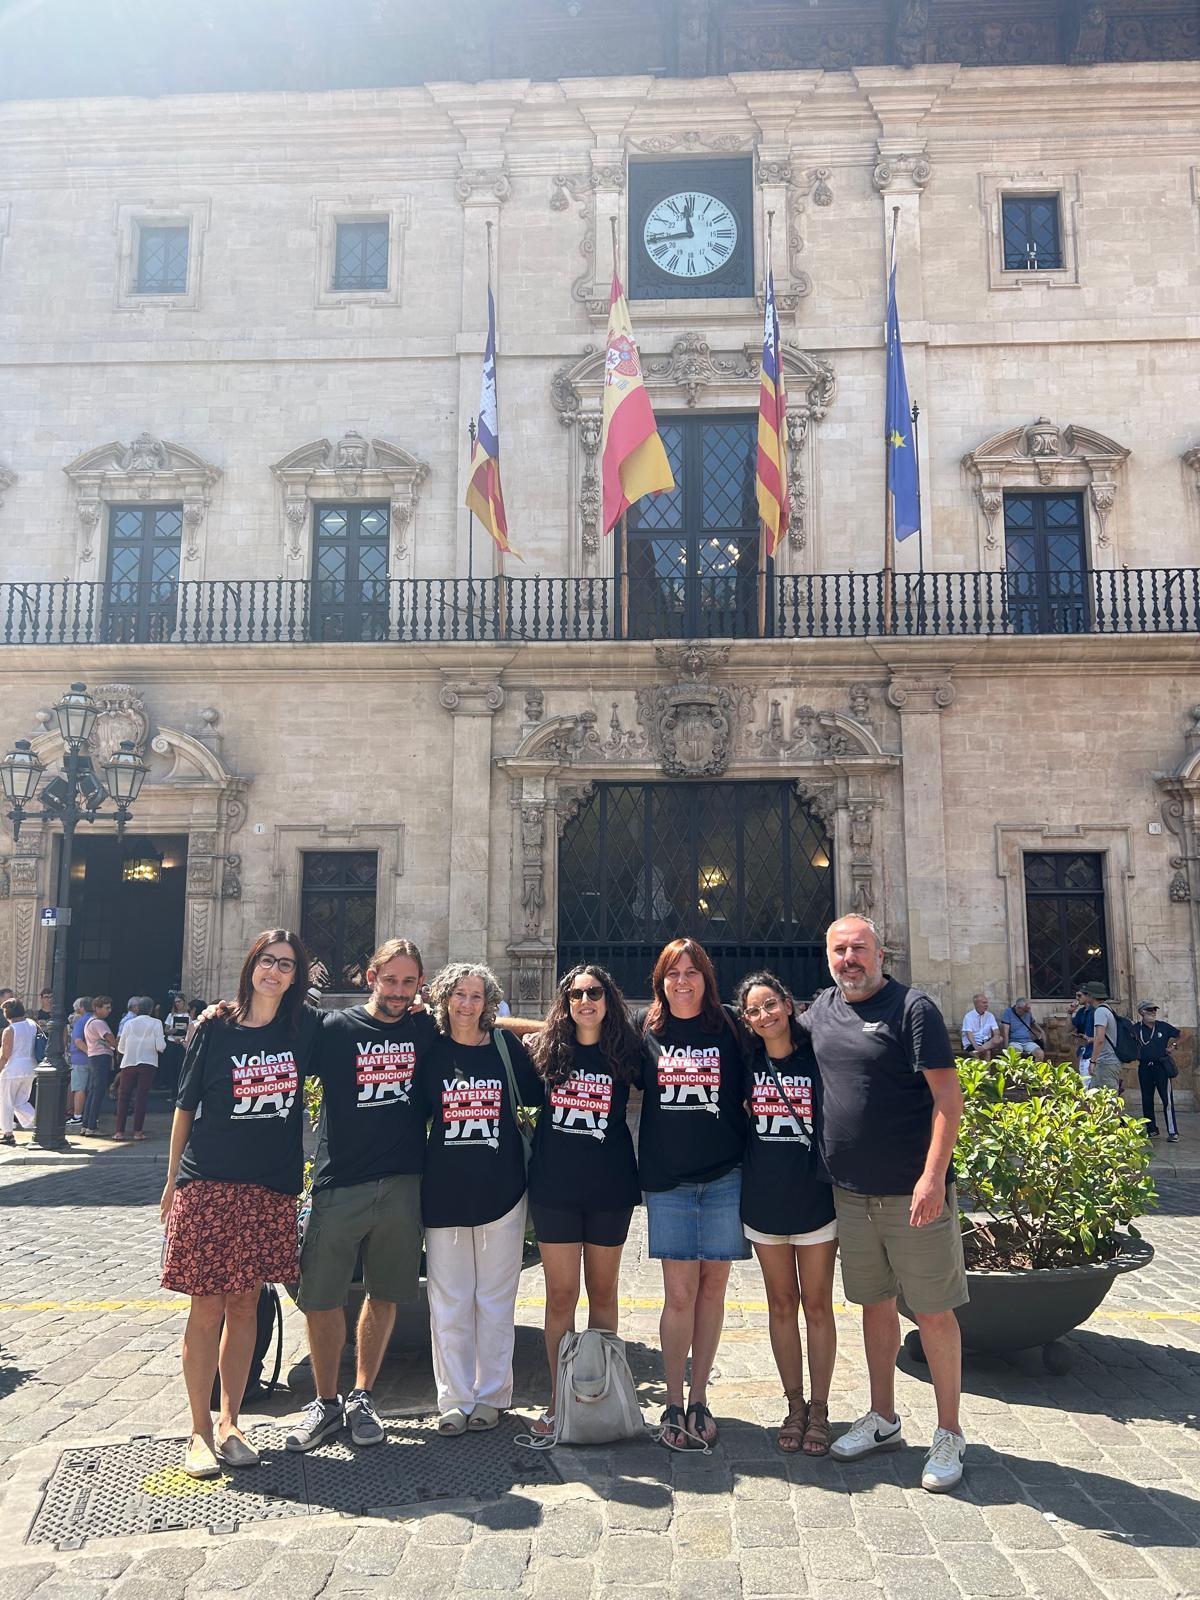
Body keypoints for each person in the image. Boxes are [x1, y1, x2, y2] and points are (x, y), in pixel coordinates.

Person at [798, 915, 968, 1494]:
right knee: (874, 1306)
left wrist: (933, 1177)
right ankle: (883, 1419)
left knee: (933, 1311)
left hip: (910, 1192)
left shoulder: (913, 1009)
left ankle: (949, 1431)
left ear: (881, 953)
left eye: (859, 949)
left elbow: (948, 1095)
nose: (850, 958)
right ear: (828, 958)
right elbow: (760, 1031)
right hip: (850, 1192)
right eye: (839, 950)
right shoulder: (821, 1010)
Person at [159, 928, 319, 1480]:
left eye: (286, 965)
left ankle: (232, 1423)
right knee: (206, 1306)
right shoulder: (215, 1027)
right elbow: (184, 1106)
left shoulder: (303, 1029)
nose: (274, 971)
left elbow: (371, 1029)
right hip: (209, 1181)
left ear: (296, 977)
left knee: (246, 1304)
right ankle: (199, 1430)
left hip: (270, 1186)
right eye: (267, 961)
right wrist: (170, 1180)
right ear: (251, 964)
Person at [286, 938, 438, 1454]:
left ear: (421, 985)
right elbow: (271, 1037)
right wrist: (220, 1014)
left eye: (408, 982)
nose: (398, 991)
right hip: (339, 1183)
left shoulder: (424, 1028)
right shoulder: (335, 1029)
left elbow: (490, 1026)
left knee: (386, 1292)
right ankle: (326, 1403)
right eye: (390, 980)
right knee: (321, 1296)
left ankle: (362, 1395)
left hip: (403, 1184)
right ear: (370, 977)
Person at [418, 961, 541, 1436]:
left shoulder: (506, 1050)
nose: (467, 1005)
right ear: (444, 999)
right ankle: (453, 1398)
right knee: (448, 1300)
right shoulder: (430, 1052)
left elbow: (543, 1083)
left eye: (477, 996)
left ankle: (491, 1395)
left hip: (503, 1192)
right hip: (445, 1192)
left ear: (489, 1003)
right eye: (459, 995)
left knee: (495, 1300)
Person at [637, 938, 748, 1451]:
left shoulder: (728, 1025)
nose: (682, 981)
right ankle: (674, 1400)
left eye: (692, 972)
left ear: (707, 978)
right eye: (672, 973)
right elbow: (575, 1034)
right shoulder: (648, 1031)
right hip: (669, 1182)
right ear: (660, 981)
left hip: (725, 1177)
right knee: (678, 1295)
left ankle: (700, 1396)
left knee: (712, 1292)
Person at [525, 964, 645, 1438]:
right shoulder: (549, 1053)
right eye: (575, 995)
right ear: (565, 1003)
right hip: (555, 1188)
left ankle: (601, 1393)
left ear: (608, 1000)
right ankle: (560, 1401)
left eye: (595, 993)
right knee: (560, 1296)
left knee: (603, 1295)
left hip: (609, 1187)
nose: (585, 1001)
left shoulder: (626, 1054)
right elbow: (501, 1028)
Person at [735, 971, 837, 1457]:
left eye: (770, 1004)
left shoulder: (818, 1056)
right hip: (764, 1199)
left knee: (817, 1305)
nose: (764, 1015)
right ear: (747, 1020)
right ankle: (793, 1404)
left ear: (789, 1004)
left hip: (813, 1198)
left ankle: (820, 1407)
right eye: (754, 1010)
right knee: (781, 1306)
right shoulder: (745, 1062)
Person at [114, 996, 166, 1140]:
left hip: (129, 1062)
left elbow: (121, 1047)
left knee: (123, 1096)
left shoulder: (129, 1024)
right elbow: (160, 1046)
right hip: (148, 1062)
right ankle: (137, 1131)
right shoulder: (156, 1023)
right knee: (141, 1097)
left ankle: (119, 1131)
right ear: (150, 1009)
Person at [1135, 1001, 1180, 1142]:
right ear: (1142, 1012)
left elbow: (1181, 1034)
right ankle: (1151, 1129)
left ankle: (1173, 1132)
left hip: (1161, 1067)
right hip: (1144, 1067)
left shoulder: (1163, 1026)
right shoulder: (1136, 1029)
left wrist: (1173, 1046)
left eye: (1154, 1010)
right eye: (1149, 1010)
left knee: (1167, 1100)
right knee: (1147, 1099)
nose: (1153, 1012)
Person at [0, 998, 38, 1145]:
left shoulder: (10, 1030)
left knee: (6, 1102)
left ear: (7, 1013)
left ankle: (8, 1133)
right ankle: (40, 1122)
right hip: (30, 1066)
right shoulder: (32, 1024)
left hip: (12, 1069)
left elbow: (5, 1055)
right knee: (20, 1101)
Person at [81, 995, 117, 1136]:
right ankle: (92, 1126)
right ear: (97, 1008)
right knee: (98, 1091)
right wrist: (114, 1046)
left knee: (92, 1091)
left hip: (93, 1057)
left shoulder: (90, 1022)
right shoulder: (99, 1023)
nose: (109, 1011)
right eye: (106, 1008)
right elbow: (111, 1040)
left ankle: (86, 1124)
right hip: (101, 1057)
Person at [1082, 981, 1122, 1094]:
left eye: (1086, 993)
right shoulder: (1108, 1009)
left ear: (1091, 996)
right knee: (1096, 1099)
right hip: (1108, 1061)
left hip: (1105, 1062)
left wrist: (1093, 1061)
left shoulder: (1100, 1011)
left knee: (1108, 1100)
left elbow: (1100, 1039)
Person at [67, 996, 92, 1127]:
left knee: (79, 1088)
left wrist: (89, 1052)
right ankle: (90, 1115)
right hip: (93, 1060)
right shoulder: (96, 1020)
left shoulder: (81, 1021)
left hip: (80, 1058)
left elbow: (77, 1041)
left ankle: (77, 1116)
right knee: (90, 1088)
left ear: (81, 1008)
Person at [960, 994, 1002, 1060]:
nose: (986, 1005)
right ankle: (981, 1065)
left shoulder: (990, 1016)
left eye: (987, 1002)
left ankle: (979, 1052)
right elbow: (969, 1034)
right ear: (976, 1004)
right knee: (986, 1052)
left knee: (999, 1038)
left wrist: (996, 1036)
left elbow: (996, 1031)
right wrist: (976, 1047)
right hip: (972, 1043)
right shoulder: (968, 1016)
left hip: (986, 1042)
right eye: (984, 1003)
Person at [1071, 988, 1094, 1086]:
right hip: (1084, 1051)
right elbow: (1070, 1029)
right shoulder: (1081, 1012)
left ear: (1088, 996)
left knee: (1088, 1083)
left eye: (1079, 996)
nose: (1077, 998)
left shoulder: (1095, 1011)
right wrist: (1070, 1013)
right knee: (1084, 1081)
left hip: (1093, 1051)